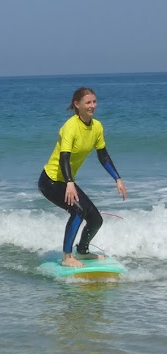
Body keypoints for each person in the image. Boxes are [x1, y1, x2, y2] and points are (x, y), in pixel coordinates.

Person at [38, 87, 127, 268]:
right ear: (77, 104)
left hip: (67, 181)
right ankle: (67, 257)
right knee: (78, 211)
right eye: (88, 102)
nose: (92, 106)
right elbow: (65, 157)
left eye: (94, 102)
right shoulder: (70, 126)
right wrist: (70, 182)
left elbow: (103, 155)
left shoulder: (97, 127)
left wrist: (117, 179)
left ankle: (83, 251)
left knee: (96, 220)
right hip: (51, 181)